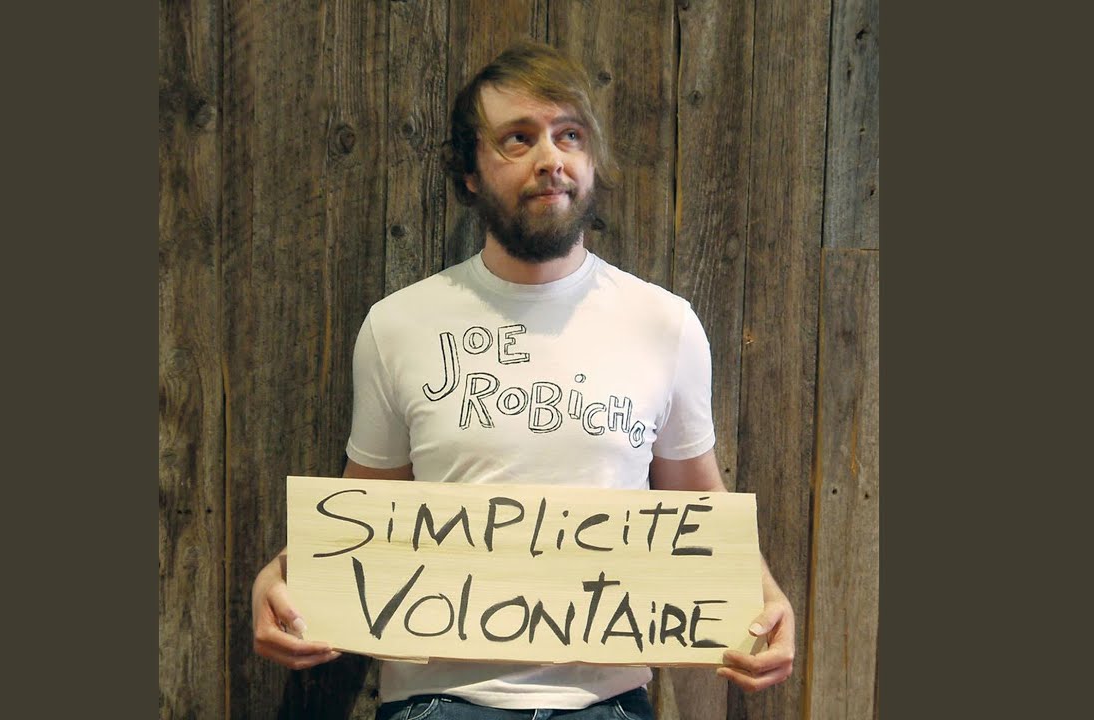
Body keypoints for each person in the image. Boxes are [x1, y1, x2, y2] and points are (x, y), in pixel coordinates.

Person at [252, 40, 794, 719]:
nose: (551, 159)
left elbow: (697, 501)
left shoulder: (666, 325)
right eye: (518, 138)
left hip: (607, 703)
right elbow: (367, 506)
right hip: (439, 702)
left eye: (570, 136)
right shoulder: (398, 327)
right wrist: (282, 575)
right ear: (470, 172)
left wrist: (764, 596)